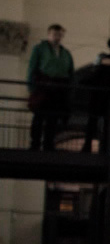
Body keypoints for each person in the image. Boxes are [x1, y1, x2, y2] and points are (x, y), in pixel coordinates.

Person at [27, 23, 74, 151]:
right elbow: (32, 68)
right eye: (54, 34)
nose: (57, 37)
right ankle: (35, 143)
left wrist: (69, 90)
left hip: (59, 87)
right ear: (49, 35)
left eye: (59, 35)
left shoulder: (66, 53)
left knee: (53, 117)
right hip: (44, 86)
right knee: (39, 116)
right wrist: (32, 88)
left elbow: (70, 72)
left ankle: (48, 143)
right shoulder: (39, 49)